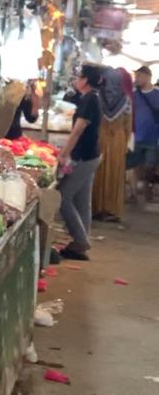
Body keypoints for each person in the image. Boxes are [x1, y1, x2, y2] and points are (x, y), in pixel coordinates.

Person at [58, 63, 104, 261]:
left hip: (85, 157)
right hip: (91, 154)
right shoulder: (92, 98)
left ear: (85, 80)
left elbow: (78, 130)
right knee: (82, 200)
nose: (76, 79)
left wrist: (63, 153)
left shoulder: (89, 101)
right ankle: (80, 243)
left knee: (63, 196)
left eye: (78, 76)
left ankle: (81, 240)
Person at [91, 67, 132, 222]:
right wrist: (125, 140)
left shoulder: (98, 96)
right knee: (115, 173)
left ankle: (97, 208)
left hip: (101, 137)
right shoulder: (126, 99)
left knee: (99, 172)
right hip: (118, 139)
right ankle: (112, 210)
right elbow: (128, 123)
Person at [127, 66, 159, 201]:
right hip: (136, 136)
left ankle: (147, 189)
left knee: (149, 167)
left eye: (139, 76)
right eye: (136, 76)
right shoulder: (133, 94)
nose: (137, 79)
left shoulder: (157, 93)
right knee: (133, 166)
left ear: (148, 76)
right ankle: (133, 194)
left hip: (153, 137)